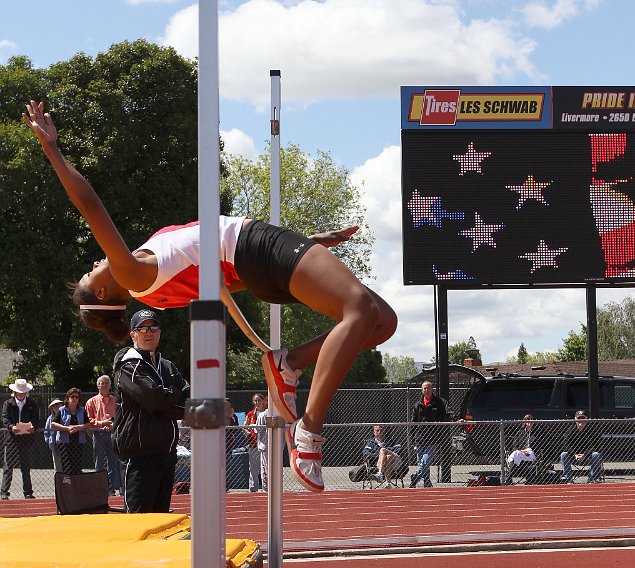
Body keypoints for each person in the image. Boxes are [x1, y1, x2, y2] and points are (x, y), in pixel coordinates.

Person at [23, 99, 398, 493]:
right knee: (360, 310)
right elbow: (90, 205)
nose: (97, 259)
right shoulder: (132, 272)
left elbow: (224, 277)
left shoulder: (154, 287)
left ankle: (290, 362)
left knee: (381, 322)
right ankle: (309, 430)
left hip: (257, 263)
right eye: (91, 270)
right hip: (255, 248)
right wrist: (52, 147)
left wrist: (305, 250)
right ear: (102, 290)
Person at [113, 309, 190, 513]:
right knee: (139, 524)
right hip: (138, 458)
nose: (149, 332)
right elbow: (154, 399)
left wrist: (167, 399)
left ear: (160, 332)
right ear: (133, 334)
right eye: (143, 328)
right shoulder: (128, 365)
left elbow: (187, 399)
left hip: (166, 455)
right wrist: (171, 394)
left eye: (154, 327)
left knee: (161, 522)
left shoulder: (167, 366)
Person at [1, 379, 40, 500]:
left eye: (23, 391)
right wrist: (11, 427)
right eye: (19, 391)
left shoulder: (32, 404)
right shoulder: (8, 403)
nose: (21, 393)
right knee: (8, 466)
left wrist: (33, 427)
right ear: (14, 391)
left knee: (25, 467)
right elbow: (5, 418)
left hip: (26, 438)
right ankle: (4, 492)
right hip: (11, 438)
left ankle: (28, 492)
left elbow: (35, 419)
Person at [85, 375, 123, 496]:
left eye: (106, 383)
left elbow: (120, 417)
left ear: (110, 385)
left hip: (112, 434)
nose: (104, 385)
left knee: (113, 463)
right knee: (99, 463)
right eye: (102, 383)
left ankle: (110, 490)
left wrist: (113, 424)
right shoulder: (91, 401)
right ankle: (99, 490)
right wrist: (101, 423)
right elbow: (88, 420)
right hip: (99, 434)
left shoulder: (115, 401)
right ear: (98, 385)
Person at [410, 381, 448, 488]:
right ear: (422, 390)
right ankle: (427, 483)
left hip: (433, 438)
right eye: (424, 388)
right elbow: (413, 423)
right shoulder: (418, 404)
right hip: (420, 438)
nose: (426, 390)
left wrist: (457, 419)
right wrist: (413, 440)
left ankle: (415, 478)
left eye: (428, 388)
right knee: (421, 462)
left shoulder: (439, 402)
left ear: (432, 389)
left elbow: (446, 414)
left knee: (425, 461)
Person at [51, 387, 91, 475]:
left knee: (77, 467)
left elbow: (88, 424)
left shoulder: (82, 410)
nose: (74, 399)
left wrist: (79, 427)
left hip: (78, 442)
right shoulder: (61, 410)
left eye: (76, 397)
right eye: (72, 396)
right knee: (67, 466)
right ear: (68, 398)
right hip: (64, 442)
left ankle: (76, 487)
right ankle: (67, 487)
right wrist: (67, 428)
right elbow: (54, 424)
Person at [560, 410, 603, 483]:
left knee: (596, 454)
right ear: (575, 419)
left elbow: (597, 445)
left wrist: (585, 454)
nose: (581, 421)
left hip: (588, 457)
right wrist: (574, 454)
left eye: (583, 419)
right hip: (574, 457)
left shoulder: (592, 430)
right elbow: (564, 445)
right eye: (579, 419)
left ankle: (592, 479)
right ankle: (568, 479)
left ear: (586, 419)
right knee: (564, 454)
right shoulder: (571, 430)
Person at [243, 394, 266, 492]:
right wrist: (249, 434)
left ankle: (267, 487)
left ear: (263, 401)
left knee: (265, 467)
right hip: (253, 444)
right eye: (255, 401)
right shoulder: (250, 414)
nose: (257, 402)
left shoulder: (267, 413)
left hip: (265, 444)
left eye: (259, 400)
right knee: (253, 468)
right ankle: (253, 488)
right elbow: (244, 427)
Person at [506, 413, 538, 482]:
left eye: (532, 420)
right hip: (521, 452)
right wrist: (522, 451)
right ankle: (509, 477)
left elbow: (539, 445)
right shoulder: (520, 433)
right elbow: (514, 446)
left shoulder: (536, 433)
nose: (530, 421)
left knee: (516, 454)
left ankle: (508, 476)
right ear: (525, 422)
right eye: (528, 419)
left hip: (531, 453)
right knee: (515, 453)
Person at [44, 398, 64, 472]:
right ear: (51, 408)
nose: (56, 406)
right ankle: (59, 482)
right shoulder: (50, 419)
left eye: (58, 404)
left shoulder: (66, 416)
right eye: (54, 405)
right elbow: (46, 432)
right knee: (58, 467)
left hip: (66, 444)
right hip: (55, 446)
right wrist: (50, 441)